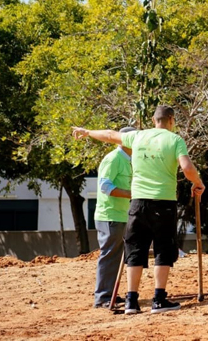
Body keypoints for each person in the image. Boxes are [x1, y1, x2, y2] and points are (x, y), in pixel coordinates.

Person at [73, 105, 204, 314]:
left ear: (154, 119)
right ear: (171, 120)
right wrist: (198, 183)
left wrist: (87, 132)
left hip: (137, 202)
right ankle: (159, 299)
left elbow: (108, 134)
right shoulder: (175, 140)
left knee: (134, 248)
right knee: (163, 249)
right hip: (163, 202)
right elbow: (187, 168)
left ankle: (131, 301)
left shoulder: (137, 137)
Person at [92, 126, 136, 308]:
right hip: (109, 216)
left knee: (117, 256)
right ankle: (102, 298)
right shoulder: (113, 159)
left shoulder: (130, 160)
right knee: (109, 255)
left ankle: (110, 295)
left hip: (122, 216)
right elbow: (105, 187)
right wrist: (133, 194)